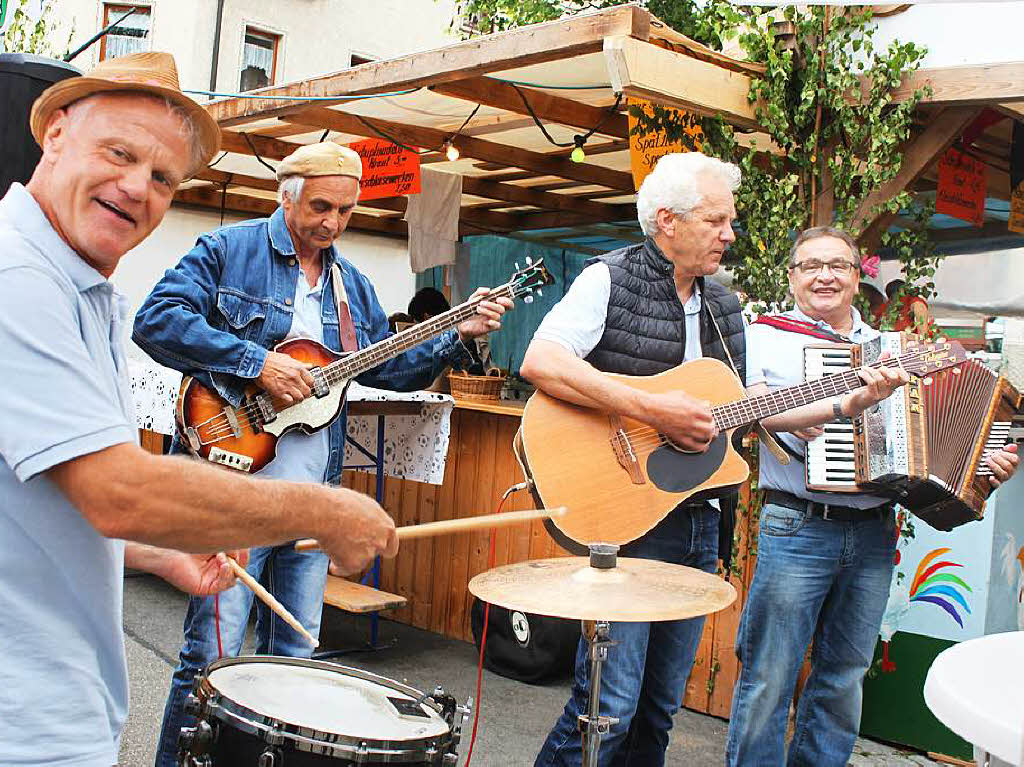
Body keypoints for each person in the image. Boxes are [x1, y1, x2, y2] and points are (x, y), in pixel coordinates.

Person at [0, 51, 407, 767]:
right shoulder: (20, 279)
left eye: (163, 177)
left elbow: (40, 502)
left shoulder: (77, 285)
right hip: (25, 720)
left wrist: (156, 551)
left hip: (55, 703)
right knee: (210, 671)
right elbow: (115, 488)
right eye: (119, 153)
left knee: (293, 677)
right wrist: (325, 509)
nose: (137, 188)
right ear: (55, 132)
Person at [134, 140, 511, 767]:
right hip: (230, 498)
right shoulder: (230, 251)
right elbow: (157, 319)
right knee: (208, 661)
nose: (333, 223)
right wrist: (257, 362)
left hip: (310, 508)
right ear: (286, 197)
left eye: (345, 211)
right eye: (321, 207)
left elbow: (390, 370)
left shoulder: (352, 285)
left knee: (296, 663)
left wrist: (454, 336)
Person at [726, 226, 1019, 767]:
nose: (824, 276)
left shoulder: (895, 350)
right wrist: (844, 403)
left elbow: (939, 438)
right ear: (792, 277)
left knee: (843, 679)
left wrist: (984, 467)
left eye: (837, 264)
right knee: (770, 676)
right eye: (811, 265)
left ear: (858, 274)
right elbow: (758, 412)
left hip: (872, 531)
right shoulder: (763, 336)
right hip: (796, 527)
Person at [520, 152, 753, 767]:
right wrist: (651, 410)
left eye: (731, 221)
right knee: (608, 706)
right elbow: (541, 361)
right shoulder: (608, 279)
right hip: (627, 519)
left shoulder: (726, 309)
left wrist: (845, 399)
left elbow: (729, 415)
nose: (730, 234)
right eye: (717, 221)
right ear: (668, 222)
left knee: (657, 712)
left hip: (700, 521)